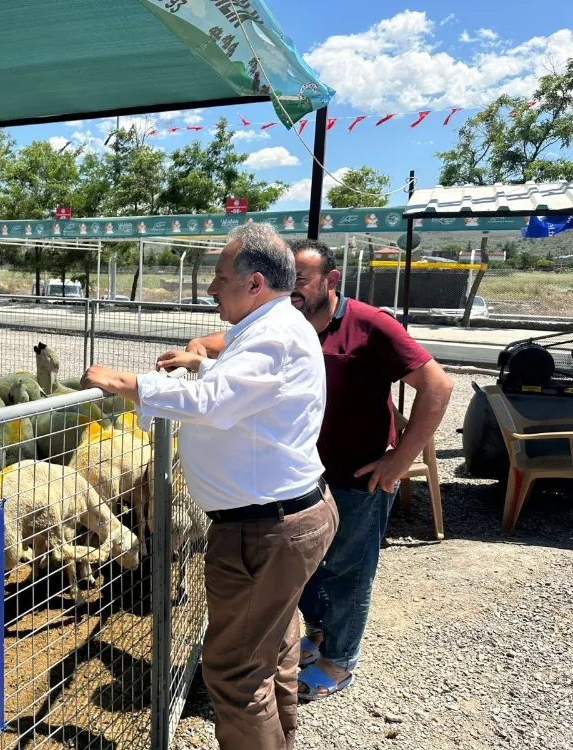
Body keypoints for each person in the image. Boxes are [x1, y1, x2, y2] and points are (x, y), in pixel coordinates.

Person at [81, 222, 337, 750]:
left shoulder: (271, 336)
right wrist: (204, 362)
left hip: (262, 531)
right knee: (274, 648)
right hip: (280, 517)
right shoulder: (277, 328)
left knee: (236, 674)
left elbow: (214, 401)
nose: (211, 288)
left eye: (220, 278)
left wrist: (122, 384)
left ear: (255, 283)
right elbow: (243, 386)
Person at [185, 238, 453, 702]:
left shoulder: (371, 325)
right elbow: (213, 341)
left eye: (301, 280)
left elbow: (438, 386)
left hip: (357, 478)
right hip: (299, 482)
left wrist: (399, 461)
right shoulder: (277, 322)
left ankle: (339, 661)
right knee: (308, 573)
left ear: (331, 280)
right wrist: (197, 353)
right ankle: (317, 639)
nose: (291, 288)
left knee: (348, 573)